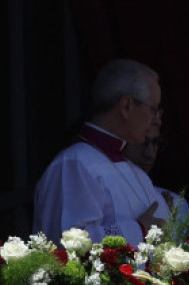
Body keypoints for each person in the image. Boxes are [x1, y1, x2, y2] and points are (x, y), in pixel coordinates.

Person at [33, 58, 170, 247]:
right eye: (153, 110)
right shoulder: (74, 164)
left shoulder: (135, 172)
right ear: (126, 106)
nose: (157, 121)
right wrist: (139, 230)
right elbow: (67, 245)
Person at [123, 129, 189, 244]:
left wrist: (175, 224)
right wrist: (137, 229)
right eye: (142, 142)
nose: (149, 154)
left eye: (155, 142)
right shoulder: (108, 195)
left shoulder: (176, 202)